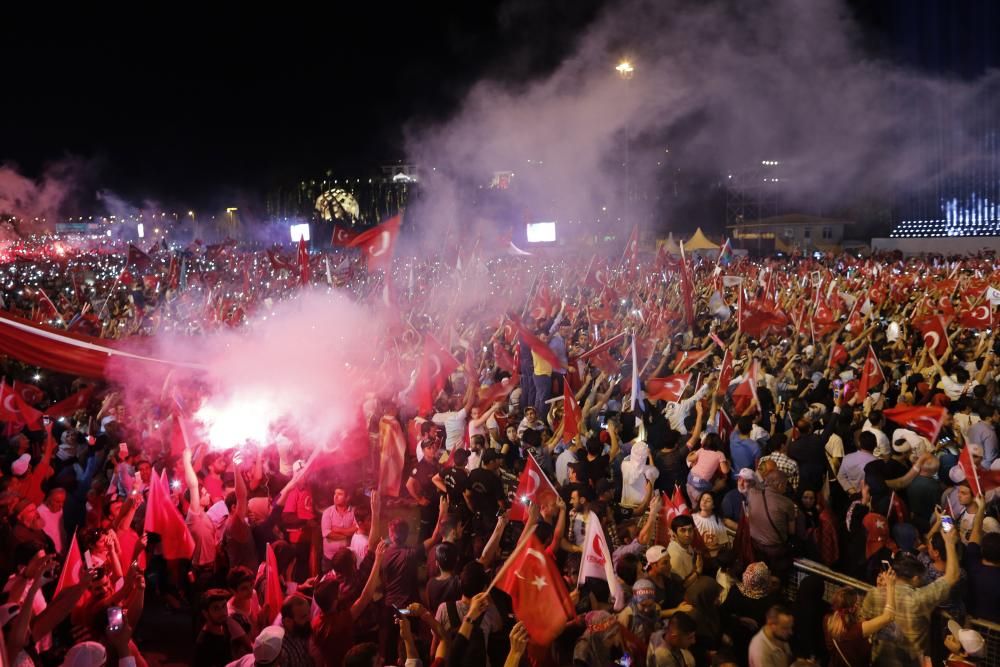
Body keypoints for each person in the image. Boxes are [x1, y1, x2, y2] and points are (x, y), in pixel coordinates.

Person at [860, 522, 960, 665]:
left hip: (880, 659)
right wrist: (949, 543)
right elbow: (953, 576)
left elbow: (864, 625)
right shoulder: (919, 598)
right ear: (915, 578)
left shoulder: (873, 594)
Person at [825, 571, 896, 667]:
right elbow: (889, 616)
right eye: (858, 604)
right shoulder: (858, 630)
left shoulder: (827, 620)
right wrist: (890, 586)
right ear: (854, 608)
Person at [320, 487, 355, 571]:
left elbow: (356, 529)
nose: (335, 496)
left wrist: (337, 529)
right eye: (335, 493)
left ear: (347, 497)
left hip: (346, 558)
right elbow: (328, 534)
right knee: (328, 582)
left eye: (339, 494)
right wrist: (348, 536)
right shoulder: (327, 512)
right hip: (329, 558)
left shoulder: (354, 512)